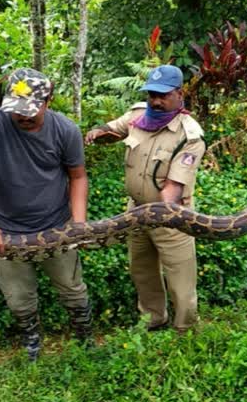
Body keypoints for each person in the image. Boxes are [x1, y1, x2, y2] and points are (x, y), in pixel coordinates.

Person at [0, 68, 92, 361]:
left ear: (48, 101)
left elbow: (77, 177)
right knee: (18, 298)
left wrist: (78, 224)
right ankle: (32, 340)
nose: (23, 117)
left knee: (73, 289)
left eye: (31, 110)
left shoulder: (65, 130)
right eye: (17, 110)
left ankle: (84, 336)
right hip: (6, 230)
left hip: (57, 227)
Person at [85, 65, 205, 333]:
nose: (156, 101)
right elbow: (112, 128)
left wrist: (160, 217)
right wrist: (98, 132)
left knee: (180, 280)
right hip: (135, 212)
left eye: (162, 95)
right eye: (152, 94)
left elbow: (173, 188)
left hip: (171, 217)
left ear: (179, 93)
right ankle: (153, 319)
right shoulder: (138, 116)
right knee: (142, 271)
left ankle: (186, 330)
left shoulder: (189, 136)